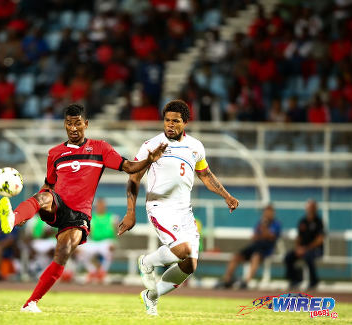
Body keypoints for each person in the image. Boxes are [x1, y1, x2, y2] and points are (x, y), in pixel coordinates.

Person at [0, 103, 168, 312]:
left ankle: (30, 303)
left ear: (86, 124)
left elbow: (129, 167)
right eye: (69, 124)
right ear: (64, 126)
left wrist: (149, 160)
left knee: (63, 252)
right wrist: (30, 212)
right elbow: (48, 185)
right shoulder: (55, 153)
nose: (73, 128)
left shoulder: (100, 148)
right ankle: (13, 218)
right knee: (42, 197)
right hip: (57, 203)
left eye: (77, 123)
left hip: (79, 216)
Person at [118, 99, 239, 316]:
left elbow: (206, 176)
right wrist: (130, 211)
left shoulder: (195, 147)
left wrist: (227, 196)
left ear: (185, 123)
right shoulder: (151, 145)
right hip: (159, 206)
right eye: (167, 120)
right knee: (183, 250)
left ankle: (151, 296)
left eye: (175, 121)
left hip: (185, 210)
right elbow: (133, 178)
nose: (170, 125)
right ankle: (146, 262)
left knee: (190, 264)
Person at [217, 204, 281, 289]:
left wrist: (264, 231)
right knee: (236, 256)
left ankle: (246, 282)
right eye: (266, 212)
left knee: (255, 257)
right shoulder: (260, 223)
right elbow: (255, 237)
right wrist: (263, 234)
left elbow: (271, 237)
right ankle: (227, 280)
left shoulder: (276, 224)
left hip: (266, 248)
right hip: (255, 245)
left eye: (269, 212)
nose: (267, 214)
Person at [284, 199, 324, 290]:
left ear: (315, 209)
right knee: (288, 256)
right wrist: (298, 248)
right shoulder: (302, 221)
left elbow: (320, 240)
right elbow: (298, 238)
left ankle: (313, 282)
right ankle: (295, 280)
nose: (309, 210)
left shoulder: (319, 222)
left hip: (315, 249)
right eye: (308, 208)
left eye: (311, 208)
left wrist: (306, 248)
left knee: (308, 256)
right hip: (302, 249)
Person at [77, 198, 119, 283]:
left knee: (109, 249)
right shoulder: (91, 218)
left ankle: (102, 272)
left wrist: (115, 241)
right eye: (99, 205)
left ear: (105, 206)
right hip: (94, 242)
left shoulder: (112, 217)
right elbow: (89, 232)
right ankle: (92, 271)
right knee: (79, 251)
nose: (100, 207)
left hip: (107, 241)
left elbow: (118, 231)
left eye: (102, 205)